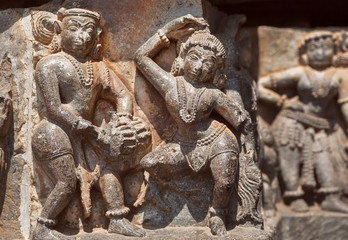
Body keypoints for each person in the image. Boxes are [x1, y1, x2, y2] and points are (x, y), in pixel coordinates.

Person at [32, 8, 149, 238]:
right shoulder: (49, 64)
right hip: (54, 132)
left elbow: (122, 95)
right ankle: (42, 227)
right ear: (59, 30)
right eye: (74, 28)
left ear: (96, 36)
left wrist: (124, 120)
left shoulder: (98, 68)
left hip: (84, 133)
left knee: (107, 167)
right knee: (66, 182)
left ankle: (116, 219)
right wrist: (90, 129)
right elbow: (55, 110)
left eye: (88, 31)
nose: (82, 37)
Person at [134, 15, 253, 235]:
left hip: (217, 139)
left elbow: (241, 118)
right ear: (182, 57)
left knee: (225, 182)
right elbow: (140, 57)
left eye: (208, 63)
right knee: (150, 163)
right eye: (195, 58)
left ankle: (217, 213)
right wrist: (168, 31)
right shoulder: (170, 84)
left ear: (217, 70)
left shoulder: (212, 94)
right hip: (183, 142)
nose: (199, 67)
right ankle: (194, 192)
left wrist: (250, 145)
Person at [258, 31, 348, 213]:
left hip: (320, 127)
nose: (321, 53)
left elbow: (345, 104)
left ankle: (330, 197)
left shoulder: (339, 75)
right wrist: (280, 101)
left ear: (334, 51)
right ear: (305, 53)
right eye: (315, 49)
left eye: (326, 48)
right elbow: (260, 84)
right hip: (291, 122)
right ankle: (293, 195)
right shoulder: (300, 72)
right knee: (289, 159)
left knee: (325, 163)